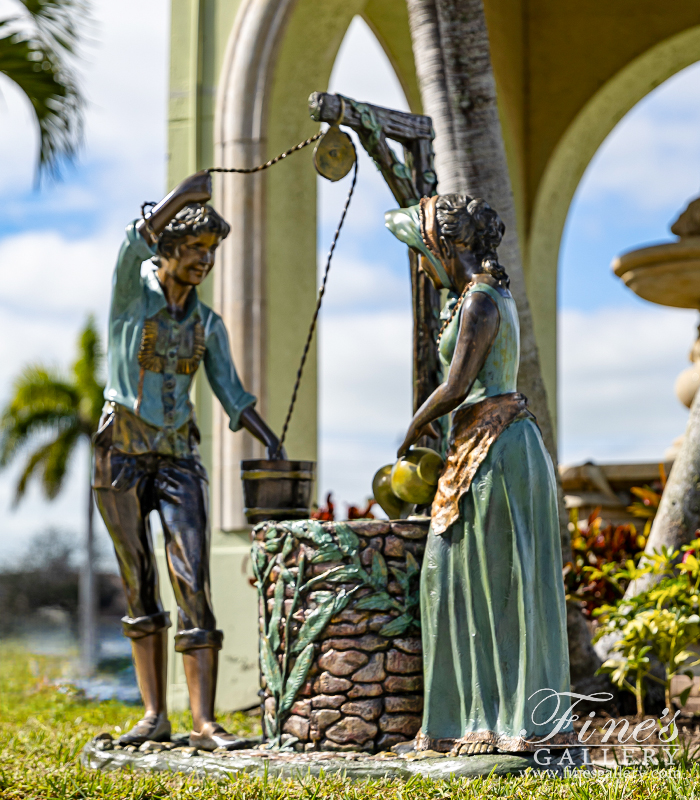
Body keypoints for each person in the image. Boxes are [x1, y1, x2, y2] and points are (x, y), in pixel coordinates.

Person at [94, 171, 283, 751]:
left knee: (192, 580)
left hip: (177, 457)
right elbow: (134, 241)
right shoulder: (133, 291)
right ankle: (154, 716)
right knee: (138, 583)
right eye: (196, 249)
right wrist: (182, 195)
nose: (205, 261)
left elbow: (232, 392)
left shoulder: (208, 324)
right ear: (170, 250)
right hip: (120, 453)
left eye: (211, 252)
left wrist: (268, 438)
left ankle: (203, 722)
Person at [385, 194, 573, 755]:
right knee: (460, 580)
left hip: (496, 447)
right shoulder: (478, 296)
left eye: (422, 251)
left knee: (492, 582)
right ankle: (467, 717)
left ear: (447, 245)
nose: (420, 263)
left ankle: (501, 721)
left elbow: (458, 384)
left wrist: (414, 426)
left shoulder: (481, 303)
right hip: (489, 442)